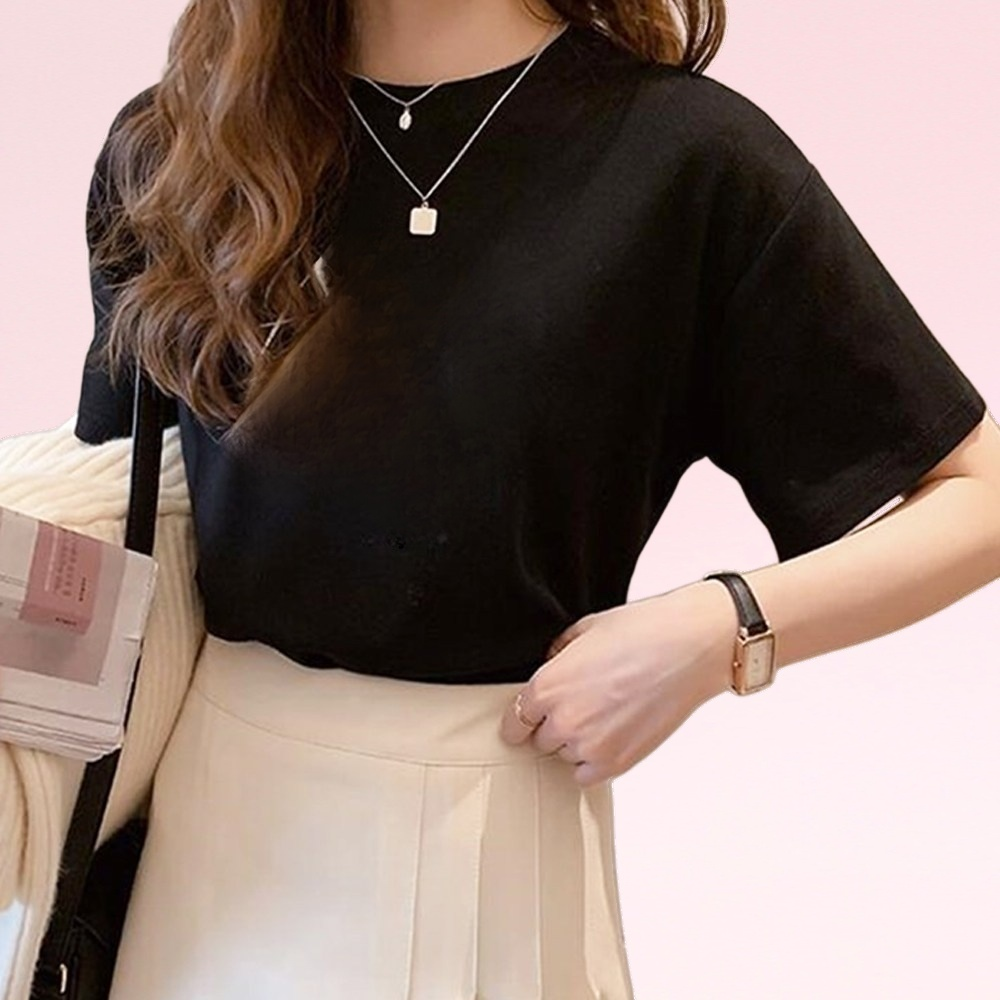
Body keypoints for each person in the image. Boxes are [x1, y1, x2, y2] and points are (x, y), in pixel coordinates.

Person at [71, 0, 999, 997]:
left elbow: (977, 494)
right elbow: (121, 521)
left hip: (495, 839)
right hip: (198, 852)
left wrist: (721, 626)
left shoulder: (682, 159)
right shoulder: (183, 146)